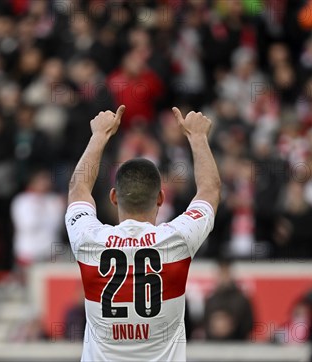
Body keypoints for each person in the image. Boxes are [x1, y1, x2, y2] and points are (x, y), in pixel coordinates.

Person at [65, 105, 220, 361]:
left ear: (113, 197)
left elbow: (78, 189)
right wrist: (198, 137)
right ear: (161, 197)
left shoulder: (88, 239)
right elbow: (210, 191)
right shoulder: (177, 239)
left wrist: (99, 136)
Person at [204, 259, 254, 340]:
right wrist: (214, 328)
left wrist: (232, 326)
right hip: (214, 345)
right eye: (221, 273)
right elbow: (205, 324)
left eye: (226, 273)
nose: (224, 277)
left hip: (238, 344)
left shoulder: (242, 299)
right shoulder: (211, 300)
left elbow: (249, 324)